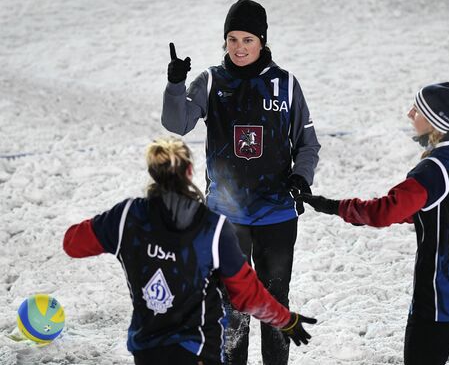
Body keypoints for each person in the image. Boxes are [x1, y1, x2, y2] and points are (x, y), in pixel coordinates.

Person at [161, 0, 320, 364]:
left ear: (262, 41)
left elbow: (308, 144)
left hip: (277, 215)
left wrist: (301, 175)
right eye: (232, 39)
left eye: (248, 39)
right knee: (232, 305)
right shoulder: (212, 81)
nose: (240, 47)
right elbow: (178, 123)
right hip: (226, 218)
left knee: (275, 301)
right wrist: (175, 85)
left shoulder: (286, 85)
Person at [299, 83, 449, 365]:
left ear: (436, 122)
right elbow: (443, 208)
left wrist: (332, 206)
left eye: (417, 110)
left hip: (443, 306)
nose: (410, 114)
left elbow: (384, 212)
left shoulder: (432, 170)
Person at [63, 137, 316, 365]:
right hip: (199, 353)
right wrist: (286, 320)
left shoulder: (126, 217)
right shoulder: (213, 228)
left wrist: (110, 224)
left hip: (148, 352)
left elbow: (72, 244)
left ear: (153, 173)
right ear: (190, 171)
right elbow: (246, 295)